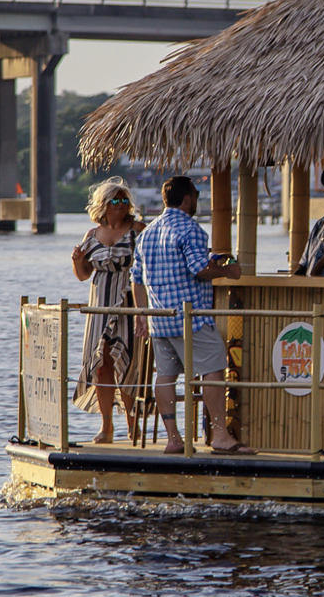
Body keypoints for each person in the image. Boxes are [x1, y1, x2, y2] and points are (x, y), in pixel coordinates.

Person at [134, 174, 243, 454]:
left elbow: (136, 279)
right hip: (191, 319)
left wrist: (142, 316)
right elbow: (199, 269)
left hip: (160, 319)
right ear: (187, 198)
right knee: (213, 369)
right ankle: (220, 434)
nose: (197, 199)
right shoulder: (191, 229)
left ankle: (173, 439)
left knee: (166, 376)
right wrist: (227, 270)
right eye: (196, 194)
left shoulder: (146, 234)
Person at [70, 178, 145, 444]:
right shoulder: (92, 235)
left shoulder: (137, 230)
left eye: (125, 201)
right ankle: (106, 427)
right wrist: (77, 261)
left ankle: (132, 425)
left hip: (128, 304)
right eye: (116, 201)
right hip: (100, 306)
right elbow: (83, 275)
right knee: (102, 366)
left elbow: (148, 267)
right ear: (104, 205)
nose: (122, 205)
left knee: (128, 365)